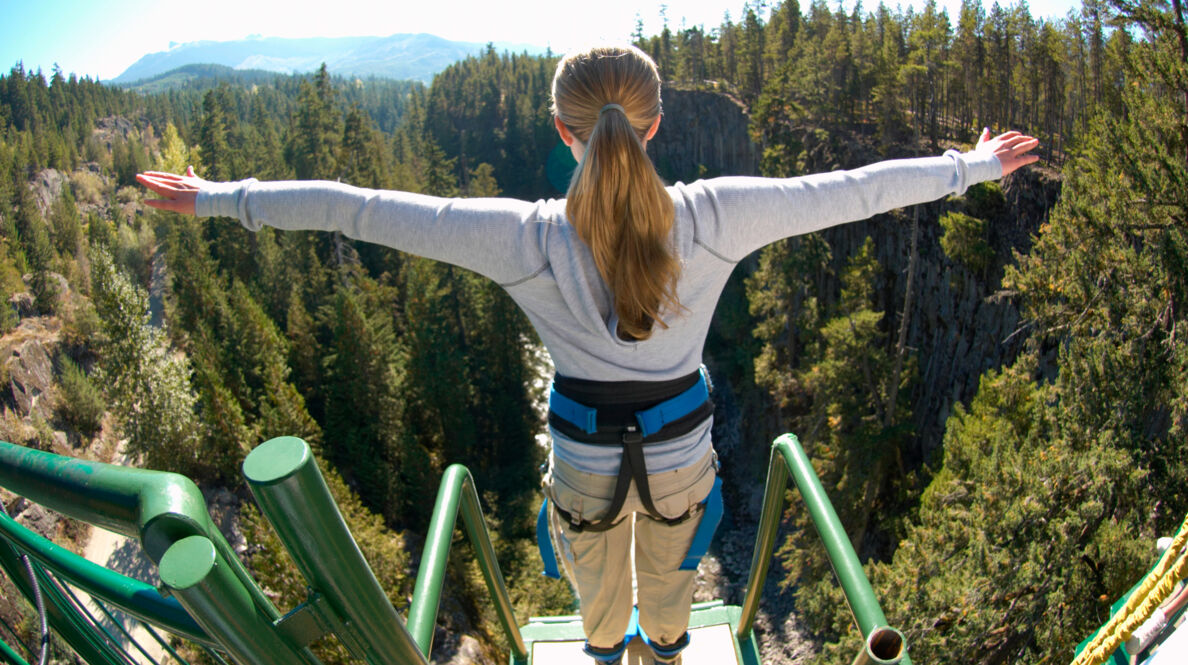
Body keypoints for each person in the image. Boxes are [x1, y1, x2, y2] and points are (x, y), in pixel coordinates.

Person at [138, 45, 1039, 665]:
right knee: (674, 587)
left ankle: (608, 655)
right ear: (652, 128)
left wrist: (220, 196)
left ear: (564, 133)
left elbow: (356, 206)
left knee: (599, 599)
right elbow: (855, 191)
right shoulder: (718, 216)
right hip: (683, 461)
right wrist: (971, 165)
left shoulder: (523, 237)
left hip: (581, 469)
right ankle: (668, 654)